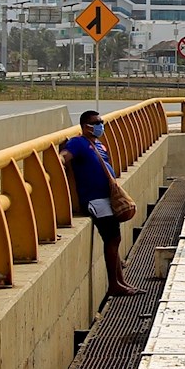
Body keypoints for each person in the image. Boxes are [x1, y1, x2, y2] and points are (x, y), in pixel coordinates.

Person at [60, 110, 142, 296]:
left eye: (101, 122)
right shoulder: (79, 142)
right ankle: (114, 285)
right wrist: (60, 160)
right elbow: (65, 155)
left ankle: (120, 281)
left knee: (115, 239)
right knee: (112, 238)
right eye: (95, 123)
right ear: (84, 126)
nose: (99, 126)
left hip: (106, 197)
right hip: (95, 199)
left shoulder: (98, 144)